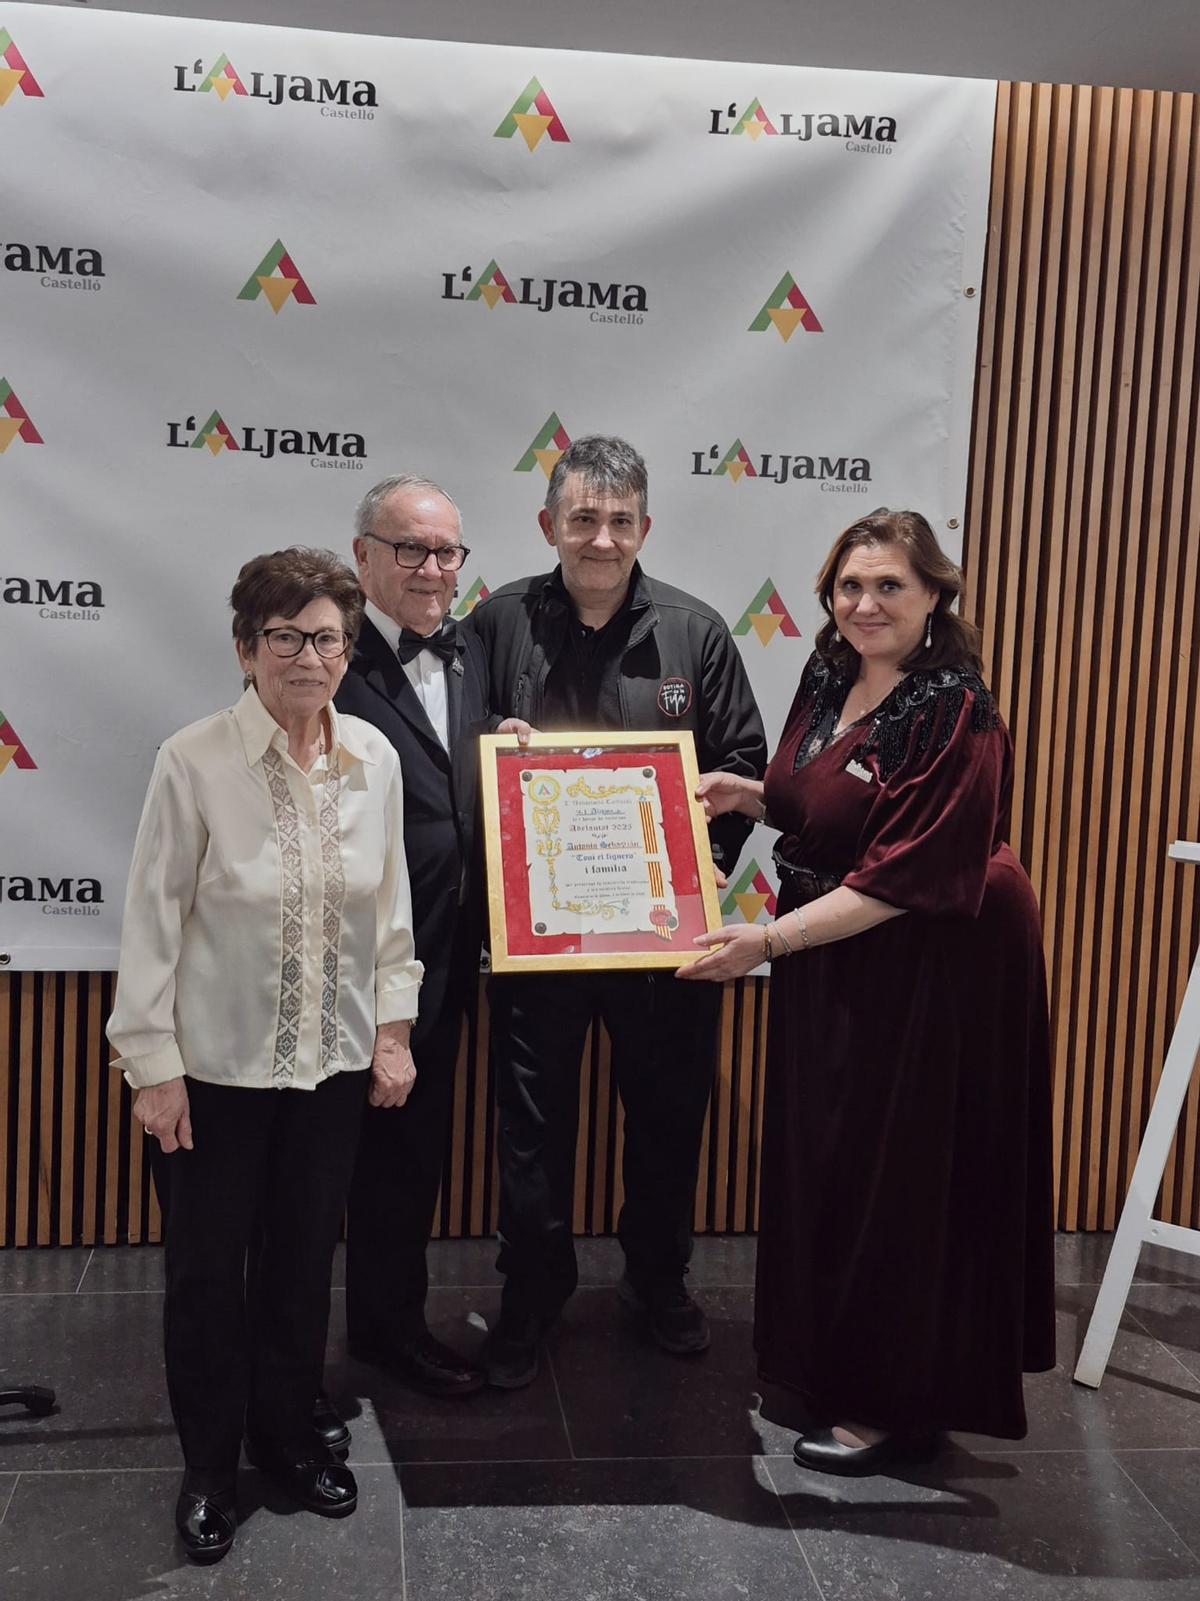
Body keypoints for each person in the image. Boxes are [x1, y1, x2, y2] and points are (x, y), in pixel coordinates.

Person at [683, 508, 1056, 1474]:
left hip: (938, 966)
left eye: (889, 584)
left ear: (936, 593)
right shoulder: (830, 671)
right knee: (837, 1163)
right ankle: (831, 1361)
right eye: (850, 585)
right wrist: (749, 793)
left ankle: (898, 1402)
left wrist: (764, 940)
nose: (865, 603)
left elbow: (903, 873)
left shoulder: (958, 711)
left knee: (906, 1179)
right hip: (841, 955)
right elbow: (831, 801)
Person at [107, 548, 424, 1562]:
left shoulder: (374, 757)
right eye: (284, 636)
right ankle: (209, 1463)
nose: (307, 655)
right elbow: (152, 922)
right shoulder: (193, 760)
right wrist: (151, 1066)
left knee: (297, 1265)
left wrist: (392, 1028)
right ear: (245, 649)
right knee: (207, 1274)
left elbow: (391, 913)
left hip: (328, 1066)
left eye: (327, 636)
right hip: (214, 1074)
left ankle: (287, 1435)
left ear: (349, 648)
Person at [469, 434, 767, 1387]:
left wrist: (683, 880)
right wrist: (494, 747)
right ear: (548, 522)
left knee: (671, 1112)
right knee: (530, 1121)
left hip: (662, 942)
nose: (602, 538)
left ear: (646, 525)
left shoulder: (696, 631)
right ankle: (532, 1292)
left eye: (620, 519)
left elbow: (746, 768)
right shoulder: (498, 621)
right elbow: (456, 753)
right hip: (536, 938)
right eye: (583, 518)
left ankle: (658, 1278)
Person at [337, 474, 528, 1397]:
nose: (433, 568)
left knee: (409, 1161)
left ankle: (387, 1329)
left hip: (440, 960)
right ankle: (277, 1369)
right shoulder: (324, 654)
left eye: (449, 551)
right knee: (308, 1175)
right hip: (337, 961)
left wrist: (507, 744)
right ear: (365, 554)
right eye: (411, 548)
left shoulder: (470, 652)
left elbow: (456, 770)